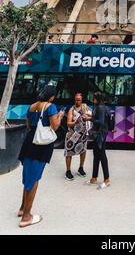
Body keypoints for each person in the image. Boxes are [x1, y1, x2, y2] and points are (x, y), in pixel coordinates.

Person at [18, 85, 65, 228]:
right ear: (51, 96)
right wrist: (60, 116)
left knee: (28, 177)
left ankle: (22, 208)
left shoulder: (31, 106)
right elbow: (55, 126)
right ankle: (26, 217)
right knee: (34, 178)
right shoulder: (51, 107)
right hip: (40, 147)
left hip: (28, 143)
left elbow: (28, 125)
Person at [85, 92, 110, 189]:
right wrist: (91, 117)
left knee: (102, 156)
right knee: (96, 155)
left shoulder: (100, 107)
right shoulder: (100, 107)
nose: (93, 100)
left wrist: (89, 119)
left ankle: (107, 180)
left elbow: (101, 121)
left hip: (100, 134)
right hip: (98, 134)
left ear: (98, 99)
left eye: (94, 98)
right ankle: (94, 178)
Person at [64, 93, 92, 181]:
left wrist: (89, 117)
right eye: (76, 99)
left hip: (82, 134)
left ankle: (81, 168)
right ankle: (68, 171)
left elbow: (89, 117)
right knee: (69, 152)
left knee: (83, 151)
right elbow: (68, 123)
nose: (77, 101)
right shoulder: (71, 110)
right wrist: (76, 122)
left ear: (82, 100)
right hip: (72, 135)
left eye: (79, 99)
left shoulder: (85, 107)